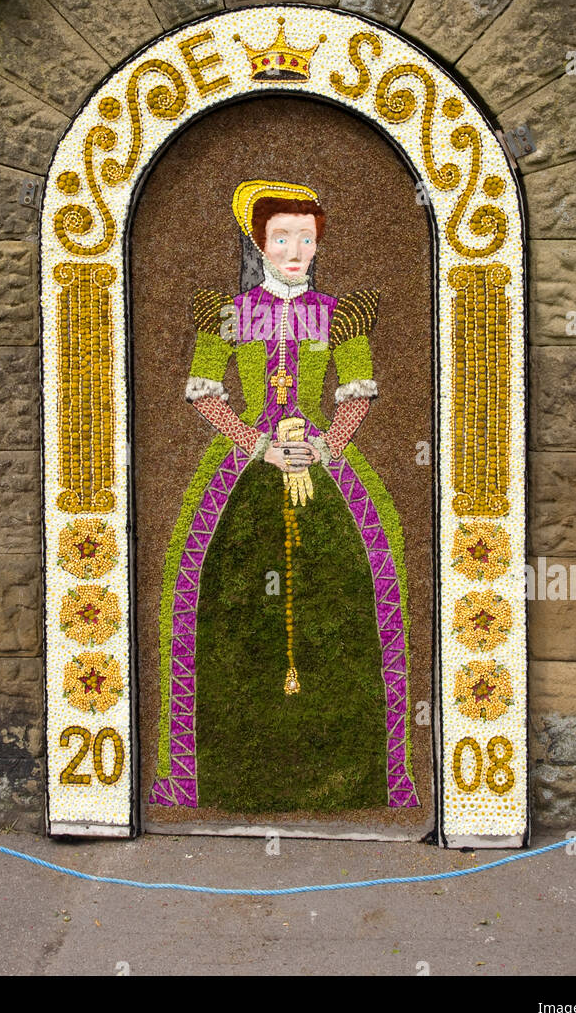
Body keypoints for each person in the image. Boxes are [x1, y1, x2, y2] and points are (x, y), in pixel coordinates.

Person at [149, 180, 418, 813]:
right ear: (259, 244)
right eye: (281, 238)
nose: (294, 249)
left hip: (325, 468)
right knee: (218, 597)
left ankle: (365, 776)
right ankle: (207, 775)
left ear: (318, 242)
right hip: (247, 466)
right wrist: (258, 443)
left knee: (354, 593)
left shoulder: (340, 314)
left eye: (305, 237)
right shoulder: (227, 313)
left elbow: (356, 393)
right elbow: (206, 392)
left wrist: (325, 447)